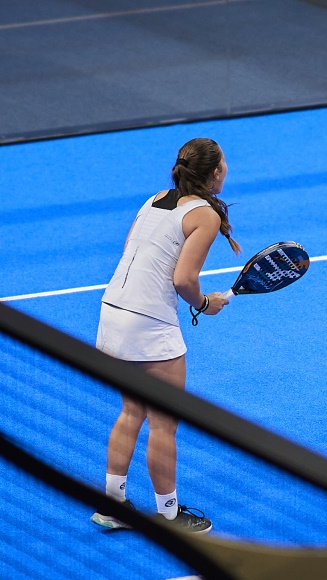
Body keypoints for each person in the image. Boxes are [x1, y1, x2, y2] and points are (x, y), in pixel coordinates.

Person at [91, 137, 240, 533]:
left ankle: (112, 506)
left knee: (131, 411)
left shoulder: (155, 198)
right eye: (224, 164)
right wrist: (205, 303)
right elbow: (183, 279)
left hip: (111, 314)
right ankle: (170, 515)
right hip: (148, 321)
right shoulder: (205, 215)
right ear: (215, 173)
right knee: (163, 423)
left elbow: (130, 251)